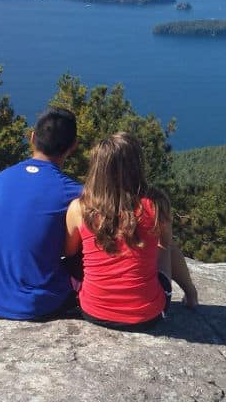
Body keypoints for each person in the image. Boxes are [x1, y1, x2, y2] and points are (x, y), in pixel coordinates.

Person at [64, 132, 198, 330]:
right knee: (169, 248)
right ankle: (191, 295)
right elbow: (165, 244)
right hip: (147, 315)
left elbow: (68, 251)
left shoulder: (79, 208)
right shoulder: (156, 204)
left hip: (92, 311)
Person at [0, 107, 81, 320]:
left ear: (32, 138)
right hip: (38, 302)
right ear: (73, 147)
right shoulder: (73, 192)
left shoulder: (2, 178)